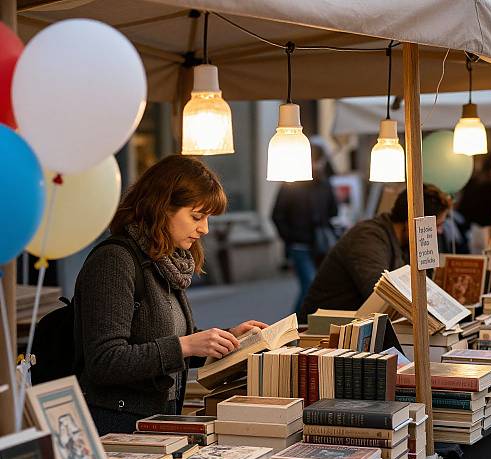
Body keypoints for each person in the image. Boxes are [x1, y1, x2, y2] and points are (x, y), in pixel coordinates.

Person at [74, 155, 267, 435]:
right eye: (196, 216)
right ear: (162, 207)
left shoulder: (166, 261)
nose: (204, 229)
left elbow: (164, 341)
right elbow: (105, 360)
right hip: (119, 428)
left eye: (207, 218)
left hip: (155, 422)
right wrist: (186, 346)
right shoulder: (114, 261)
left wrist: (222, 339)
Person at [299, 184, 451, 322]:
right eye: (437, 225)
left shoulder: (404, 242)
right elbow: (380, 294)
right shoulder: (367, 237)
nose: (439, 232)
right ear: (414, 223)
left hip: (357, 327)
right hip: (321, 332)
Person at [272, 143, 338, 314]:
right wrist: (290, 237)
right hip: (299, 244)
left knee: (318, 287)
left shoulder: (325, 184)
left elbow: (333, 210)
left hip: (320, 244)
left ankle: (299, 323)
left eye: (318, 161)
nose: (316, 165)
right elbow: (277, 215)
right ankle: (296, 324)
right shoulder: (290, 184)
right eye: (313, 161)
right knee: (309, 284)